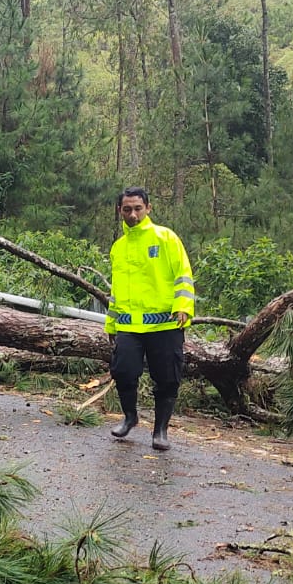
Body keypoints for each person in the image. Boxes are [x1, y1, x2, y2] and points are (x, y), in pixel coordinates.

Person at [104, 186, 193, 451]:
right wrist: (111, 322)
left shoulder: (165, 237)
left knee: (167, 378)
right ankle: (130, 417)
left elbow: (184, 275)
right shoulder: (118, 248)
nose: (133, 214)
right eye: (127, 209)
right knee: (123, 371)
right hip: (129, 325)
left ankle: (160, 430)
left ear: (148, 208)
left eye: (138, 208)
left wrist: (184, 306)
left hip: (165, 323)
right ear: (120, 210)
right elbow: (116, 291)